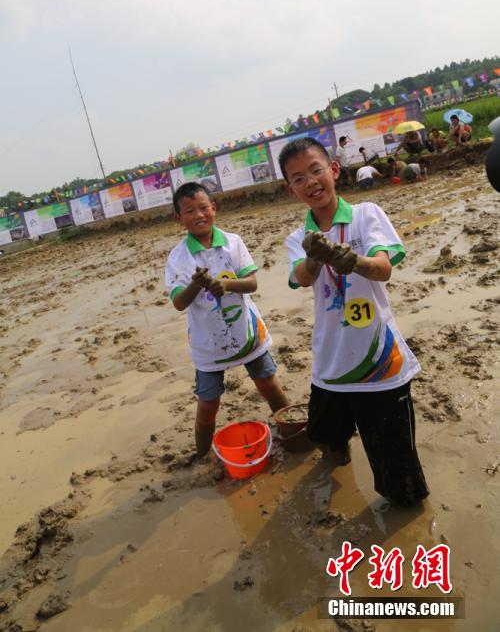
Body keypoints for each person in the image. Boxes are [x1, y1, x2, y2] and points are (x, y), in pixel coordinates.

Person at [278, 137, 429, 507]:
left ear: (333, 170)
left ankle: (406, 510)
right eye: (298, 178)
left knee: (399, 474)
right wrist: (317, 256)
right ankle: (339, 452)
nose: (310, 182)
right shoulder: (298, 238)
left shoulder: (366, 214)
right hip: (331, 360)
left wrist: (355, 262)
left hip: (379, 358)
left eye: (316, 170)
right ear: (290, 188)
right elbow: (300, 277)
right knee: (325, 432)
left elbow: (384, 267)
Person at [165, 182, 289, 456]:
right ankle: (202, 456)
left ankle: (293, 433)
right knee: (208, 404)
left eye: (203, 208)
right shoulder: (178, 258)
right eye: (189, 211)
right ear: (179, 218)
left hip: (246, 333)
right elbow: (178, 303)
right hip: (208, 344)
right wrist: (197, 284)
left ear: (214, 209)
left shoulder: (233, 242)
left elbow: (252, 283)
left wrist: (227, 285)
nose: (198, 215)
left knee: (268, 384)